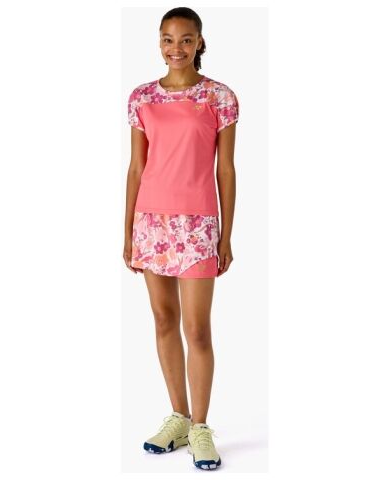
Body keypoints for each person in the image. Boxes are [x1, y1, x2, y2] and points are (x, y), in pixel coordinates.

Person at [123, 6, 239, 471]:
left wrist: (225, 235)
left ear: (199, 42)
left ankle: (201, 428)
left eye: (186, 39)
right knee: (163, 320)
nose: (176, 48)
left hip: (197, 226)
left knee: (197, 329)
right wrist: (127, 231)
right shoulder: (141, 97)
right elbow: (136, 167)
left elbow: (225, 169)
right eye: (168, 39)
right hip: (151, 223)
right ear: (159, 42)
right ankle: (178, 416)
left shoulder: (219, 97)